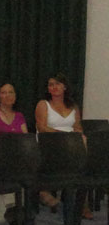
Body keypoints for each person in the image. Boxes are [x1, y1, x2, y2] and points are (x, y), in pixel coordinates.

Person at [34, 72, 89, 216]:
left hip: (70, 145)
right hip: (49, 144)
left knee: (83, 141)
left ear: (64, 87)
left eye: (57, 84)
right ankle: (77, 199)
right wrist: (63, 136)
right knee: (76, 149)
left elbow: (78, 128)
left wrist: (74, 137)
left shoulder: (73, 107)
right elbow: (42, 128)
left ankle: (80, 199)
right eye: (51, 85)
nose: (54, 87)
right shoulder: (43, 104)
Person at [0, 82, 27, 223]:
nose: (7, 95)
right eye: (3, 92)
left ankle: (16, 207)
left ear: (15, 96)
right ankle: (11, 207)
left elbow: (25, 140)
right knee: (1, 219)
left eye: (10, 92)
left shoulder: (19, 116)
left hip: (17, 159)